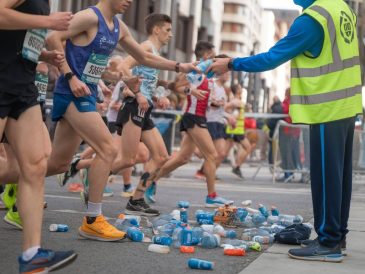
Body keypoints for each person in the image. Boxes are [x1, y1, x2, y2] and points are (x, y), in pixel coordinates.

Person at [209, 0, 362, 262]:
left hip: (327, 107)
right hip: (346, 105)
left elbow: (272, 58)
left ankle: (328, 242)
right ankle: (337, 236)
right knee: (339, 178)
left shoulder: (312, 19)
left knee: (326, 179)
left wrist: (231, 63)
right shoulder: (341, 8)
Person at [46, 0, 197, 230]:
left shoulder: (119, 27)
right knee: (108, 148)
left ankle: (15, 181)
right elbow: (52, 38)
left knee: (57, 164)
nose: (129, 2)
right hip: (72, 93)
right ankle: (93, 219)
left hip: (88, 93)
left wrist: (179, 66)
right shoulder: (90, 17)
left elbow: (144, 58)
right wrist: (70, 76)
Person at [0, 1, 77, 273]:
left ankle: (32, 255)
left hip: (22, 85)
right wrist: (48, 23)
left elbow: (18, 36)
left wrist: (41, 55)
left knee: (35, 164)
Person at [148, 41, 234, 207]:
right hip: (193, 117)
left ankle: (150, 181)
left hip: (199, 117)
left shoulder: (206, 74)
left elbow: (201, 97)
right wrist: (190, 90)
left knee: (182, 158)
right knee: (212, 155)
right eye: (213, 55)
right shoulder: (195, 69)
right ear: (207, 55)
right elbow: (177, 86)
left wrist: (221, 109)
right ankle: (211, 196)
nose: (215, 59)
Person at [112, 13, 174, 215]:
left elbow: (147, 83)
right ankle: (88, 172)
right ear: (156, 29)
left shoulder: (154, 52)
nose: (170, 35)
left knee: (161, 156)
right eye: (167, 30)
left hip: (144, 109)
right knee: (128, 160)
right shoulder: (146, 47)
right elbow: (123, 67)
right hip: (132, 106)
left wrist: (157, 96)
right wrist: (137, 94)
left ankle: (136, 199)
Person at [224, 84, 252, 179]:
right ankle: (236, 166)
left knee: (224, 152)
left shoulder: (238, 101)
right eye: (240, 88)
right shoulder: (235, 101)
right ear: (237, 91)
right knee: (223, 153)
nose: (242, 89)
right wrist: (231, 117)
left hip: (238, 130)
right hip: (234, 130)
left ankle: (237, 166)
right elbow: (226, 108)